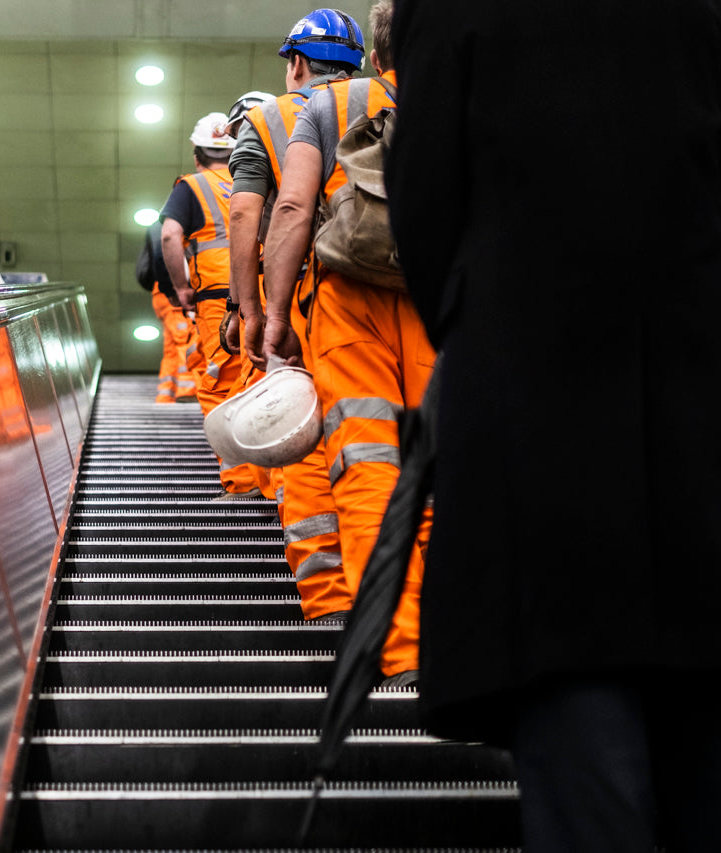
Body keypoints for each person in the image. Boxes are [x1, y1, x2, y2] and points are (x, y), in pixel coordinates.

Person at [386, 0, 721, 849]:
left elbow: (425, 203)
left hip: (533, 408)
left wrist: (485, 317)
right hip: (700, 398)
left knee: (576, 717)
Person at [261, 0, 430, 680]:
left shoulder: (326, 106)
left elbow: (294, 207)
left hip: (346, 302)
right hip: (436, 298)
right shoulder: (461, 97)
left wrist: (275, 315)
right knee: (437, 465)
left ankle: (399, 648)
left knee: (367, 464)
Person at [224, 13, 364, 622]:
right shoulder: (393, 97)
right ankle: (397, 595)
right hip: (410, 295)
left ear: (297, 64)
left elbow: (249, 214)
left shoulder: (271, 118)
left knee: (308, 442)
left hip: (317, 302)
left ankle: (330, 598)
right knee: (385, 443)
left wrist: (252, 309)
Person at [161, 112, 263, 498]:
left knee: (221, 386)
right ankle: (274, 484)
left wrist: (181, 288)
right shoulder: (255, 178)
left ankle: (242, 482)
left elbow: (170, 236)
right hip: (267, 290)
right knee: (260, 379)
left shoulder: (192, 186)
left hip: (218, 300)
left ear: (196, 152)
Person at [135, 216, 197, 403]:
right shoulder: (171, 225)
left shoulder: (157, 224)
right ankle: (188, 389)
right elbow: (163, 254)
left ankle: (166, 394)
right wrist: (175, 288)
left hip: (159, 292)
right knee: (185, 338)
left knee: (171, 345)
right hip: (172, 289)